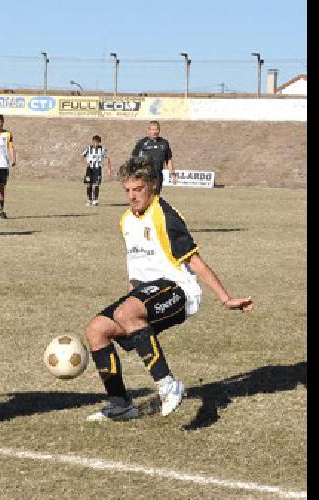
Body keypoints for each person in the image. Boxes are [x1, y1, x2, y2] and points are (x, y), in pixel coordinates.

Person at [83, 156, 253, 422]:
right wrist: (131, 298)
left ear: (153, 187)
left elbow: (194, 261)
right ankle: (120, 405)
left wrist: (225, 298)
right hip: (146, 292)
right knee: (96, 329)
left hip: (179, 291)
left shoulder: (165, 215)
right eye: (127, 190)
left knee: (128, 314)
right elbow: (137, 271)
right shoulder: (127, 220)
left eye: (137, 190)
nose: (132, 196)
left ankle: (168, 384)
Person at [130, 121, 175, 193]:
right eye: (152, 129)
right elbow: (133, 159)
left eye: (156, 129)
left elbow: (168, 159)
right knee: (145, 197)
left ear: (159, 130)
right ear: (148, 130)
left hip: (158, 176)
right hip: (144, 175)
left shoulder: (164, 143)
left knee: (155, 198)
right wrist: (133, 173)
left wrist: (172, 174)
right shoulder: (142, 143)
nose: (155, 132)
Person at [81, 135, 110, 206]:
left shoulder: (102, 149)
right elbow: (82, 156)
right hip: (89, 168)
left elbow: (108, 158)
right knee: (88, 184)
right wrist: (85, 163)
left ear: (99, 142)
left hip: (97, 169)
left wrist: (109, 169)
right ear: (92, 142)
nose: (96, 144)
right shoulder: (88, 148)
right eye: (94, 142)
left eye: (97, 142)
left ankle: (96, 200)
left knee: (96, 184)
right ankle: (89, 200)